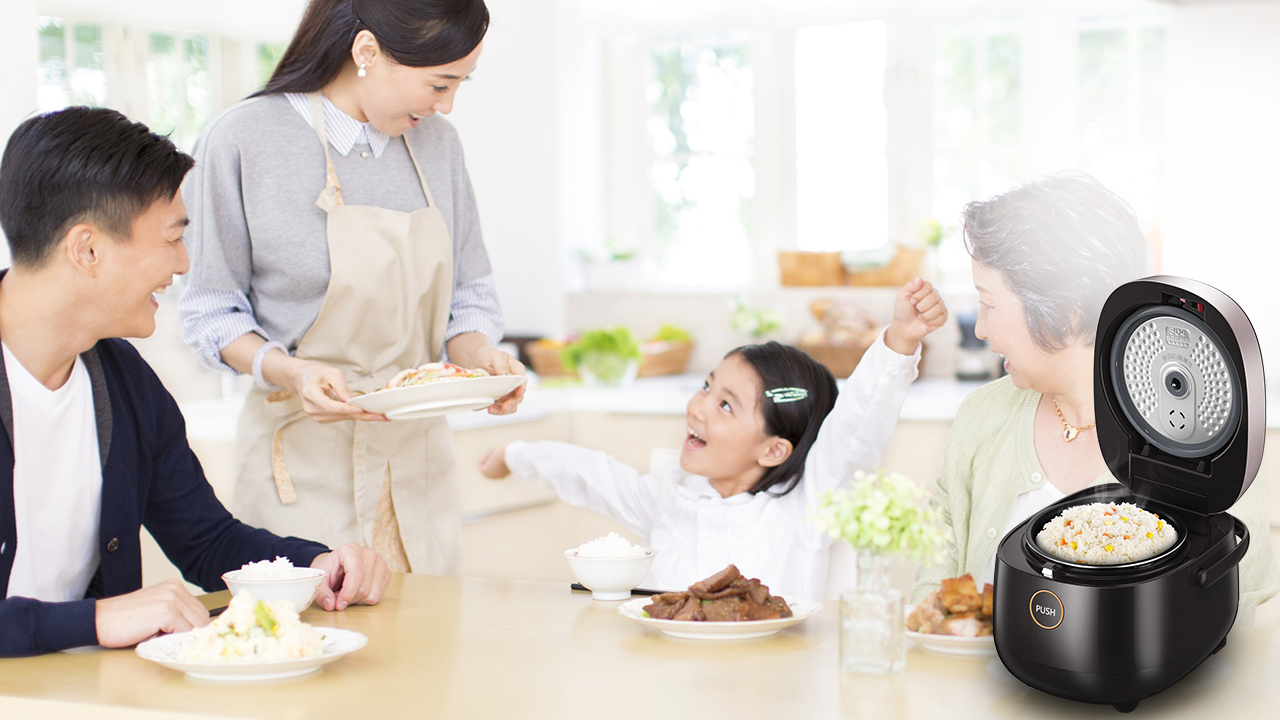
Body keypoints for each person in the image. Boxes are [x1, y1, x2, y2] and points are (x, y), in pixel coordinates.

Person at [0, 107, 391, 658]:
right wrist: (95, 620)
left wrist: (316, 565)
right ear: (87, 249)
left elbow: (207, 540)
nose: (183, 264)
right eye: (171, 239)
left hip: (84, 694)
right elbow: (92, 620)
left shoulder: (125, 383)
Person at [179, 0, 522, 575]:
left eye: (461, 84)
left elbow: (468, 300)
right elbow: (212, 312)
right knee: (316, 645)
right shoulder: (243, 139)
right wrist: (292, 372)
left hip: (417, 468)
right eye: (439, 84)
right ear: (366, 52)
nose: (448, 105)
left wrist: (483, 359)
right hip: (302, 467)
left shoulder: (439, 145)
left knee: (426, 651)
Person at [911, 172, 1279, 624]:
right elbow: (931, 597)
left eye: (988, 305)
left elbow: (1244, 624)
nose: (981, 330)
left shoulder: (1204, 449)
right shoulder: (981, 418)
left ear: (1062, 316)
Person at [479, 279, 949, 598]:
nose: (698, 407)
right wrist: (514, 454)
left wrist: (901, 338)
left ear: (774, 450)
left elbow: (857, 425)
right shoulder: (669, 500)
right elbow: (591, 475)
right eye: (707, 386)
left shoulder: (806, 509)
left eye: (726, 404)